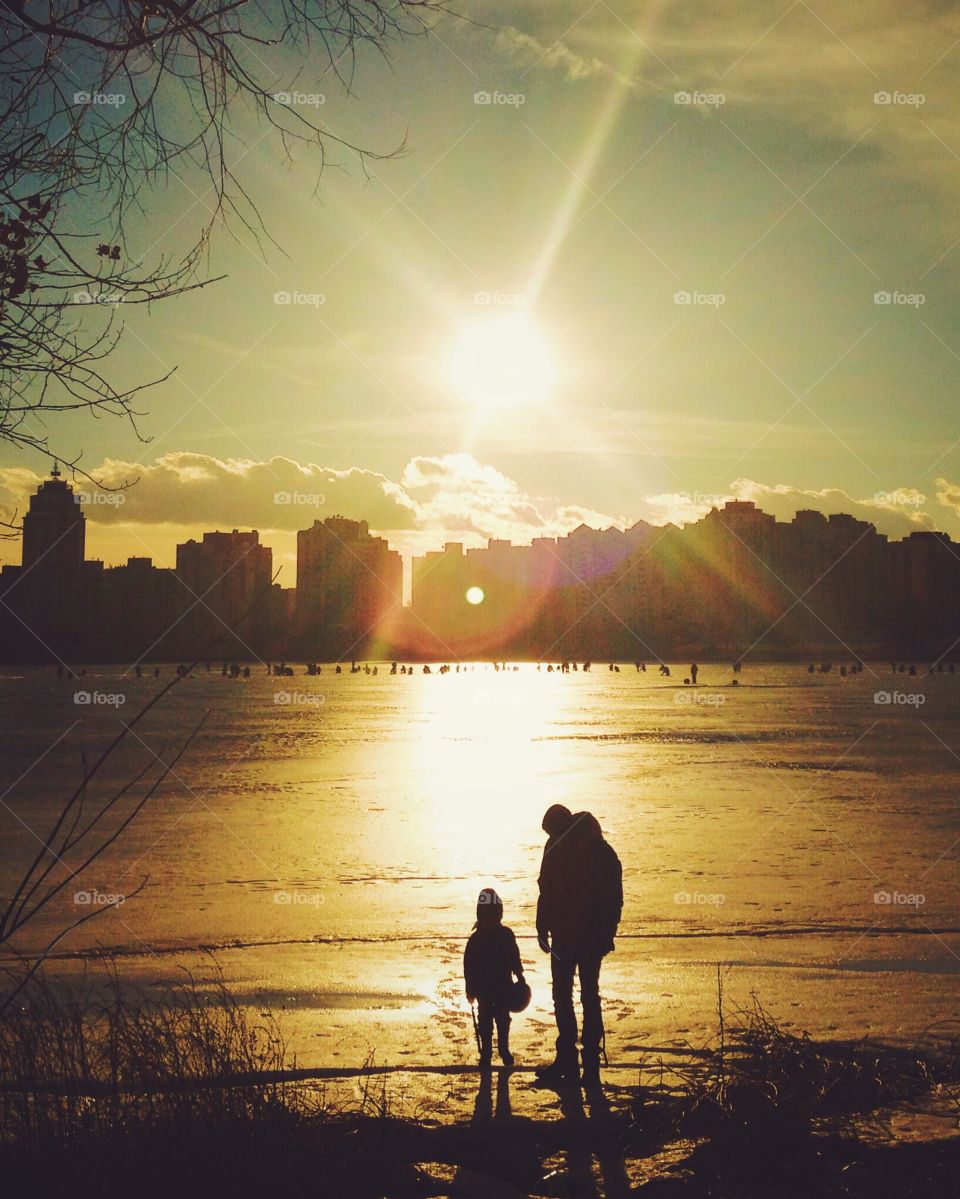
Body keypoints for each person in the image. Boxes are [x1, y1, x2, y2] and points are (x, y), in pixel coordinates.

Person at [535, 805, 623, 1088]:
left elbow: (546, 890)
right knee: (585, 996)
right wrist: (607, 933)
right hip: (582, 937)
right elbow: (614, 899)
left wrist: (542, 926)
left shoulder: (590, 851)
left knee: (565, 996)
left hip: (571, 936)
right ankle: (584, 1062)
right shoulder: (601, 850)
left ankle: (574, 1061)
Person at [464, 888, 525, 1070]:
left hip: (503, 986)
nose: (490, 921)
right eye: (486, 917)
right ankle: (487, 1052)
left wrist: (519, 975)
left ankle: (504, 1049)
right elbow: (469, 966)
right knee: (485, 1021)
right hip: (483, 989)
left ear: (499, 916)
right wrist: (470, 989)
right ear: (480, 917)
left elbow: (514, 956)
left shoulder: (506, 935)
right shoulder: (475, 940)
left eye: (493, 916)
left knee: (503, 1019)